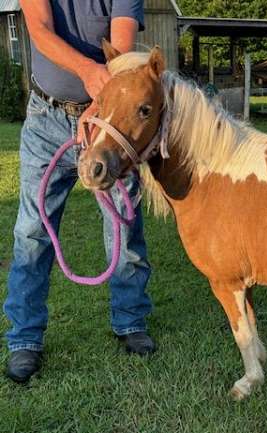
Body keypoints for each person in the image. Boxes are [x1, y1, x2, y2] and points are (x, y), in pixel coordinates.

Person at [3, 0, 155, 384]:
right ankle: (24, 338)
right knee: (32, 230)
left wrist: (100, 107)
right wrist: (89, 71)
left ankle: (130, 320)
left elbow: (119, 53)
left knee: (124, 224)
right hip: (46, 118)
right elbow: (39, 30)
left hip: (106, 119)